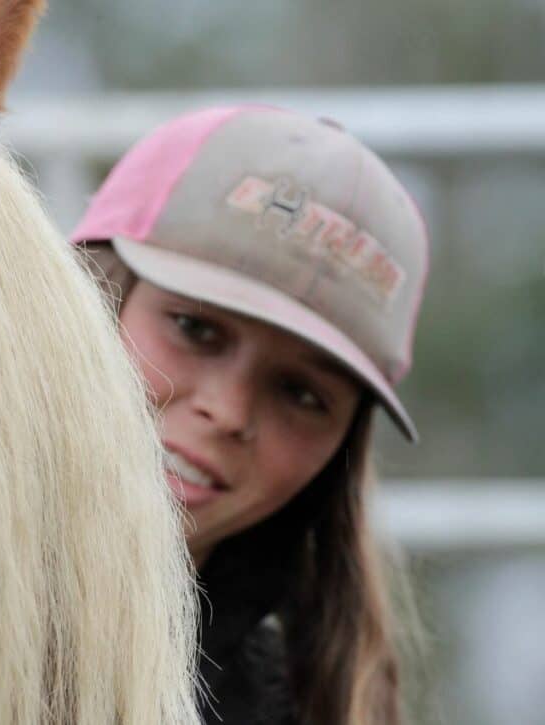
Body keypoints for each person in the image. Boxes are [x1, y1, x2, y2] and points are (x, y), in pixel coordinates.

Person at [70, 105, 429, 725]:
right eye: (195, 328)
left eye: (302, 393)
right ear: (87, 294)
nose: (230, 411)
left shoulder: (301, 704)